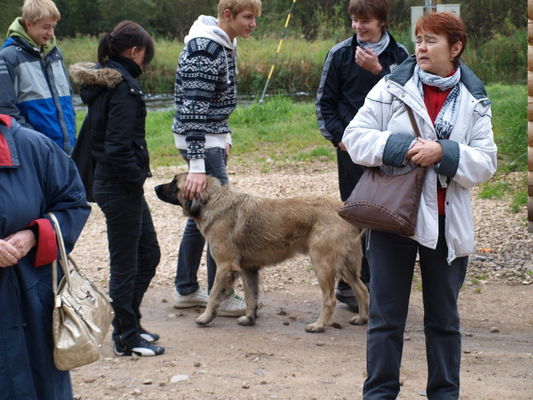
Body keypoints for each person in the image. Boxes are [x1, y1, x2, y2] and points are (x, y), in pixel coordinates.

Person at [342, 12, 497, 399]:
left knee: (444, 321)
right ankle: (379, 395)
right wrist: (406, 149)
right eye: (419, 40)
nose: (421, 47)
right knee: (385, 320)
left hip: (447, 225)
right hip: (394, 220)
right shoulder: (391, 87)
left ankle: (444, 395)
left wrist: (443, 152)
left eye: (431, 41)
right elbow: (355, 138)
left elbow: (486, 162)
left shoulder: (475, 100)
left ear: (455, 48)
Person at [70, 21, 163, 357]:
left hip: (115, 184)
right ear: (136, 51)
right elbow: (117, 146)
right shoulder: (122, 88)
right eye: (146, 53)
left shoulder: (108, 82)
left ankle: (129, 325)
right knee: (127, 263)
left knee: (149, 254)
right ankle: (125, 337)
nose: (147, 59)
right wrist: (135, 178)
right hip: (119, 185)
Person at [316, 0, 408, 312]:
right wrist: (340, 139)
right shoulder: (340, 53)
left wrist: (378, 71)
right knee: (356, 218)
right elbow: (324, 104)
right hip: (352, 153)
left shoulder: (400, 56)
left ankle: (383, 287)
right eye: (354, 20)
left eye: (365, 21)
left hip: (391, 153)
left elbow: (410, 102)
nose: (358, 27)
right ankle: (351, 288)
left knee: (388, 218)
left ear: (382, 21)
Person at [171, 0, 262, 315]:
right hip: (200, 143)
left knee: (202, 213)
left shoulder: (225, 44)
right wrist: (197, 166)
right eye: (248, 17)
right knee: (220, 218)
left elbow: (215, 105)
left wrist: (225, 137)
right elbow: (193, 110)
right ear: (228, 15)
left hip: (212, 139)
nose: (253, 24)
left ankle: (185, 288)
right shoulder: (204, 52)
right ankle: (220, 295)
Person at [0, 114, 91, 399]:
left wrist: (36, 235)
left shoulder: (35, 147)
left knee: (44, 385)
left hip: (34, 297)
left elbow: (73, 204)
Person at [0, 0, 76, 153]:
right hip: (33, 151)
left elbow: (68, 99)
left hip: (65, 151)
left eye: (53, 27)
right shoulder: (8, 56)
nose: (51, 33)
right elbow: (5, 110)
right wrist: (35, 142)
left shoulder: (56, 54)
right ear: (29, 24)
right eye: (45, 27)